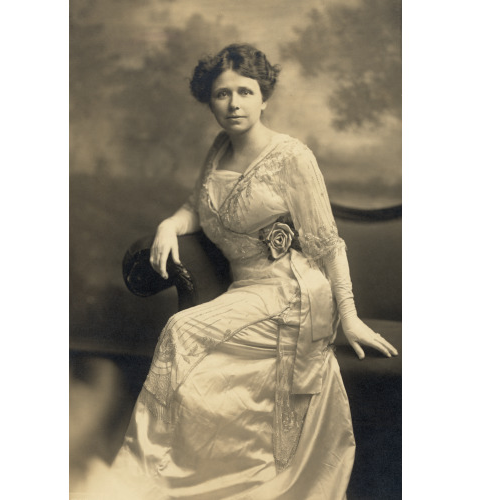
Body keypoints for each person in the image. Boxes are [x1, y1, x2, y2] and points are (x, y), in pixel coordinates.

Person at [111, 43, 398, 499]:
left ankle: (145, 480)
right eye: (222, 94)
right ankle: (183, 473)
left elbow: (327, 243)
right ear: (209, 101)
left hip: (294, 293)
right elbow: (196, 205)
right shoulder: (219, 148)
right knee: (195, 356)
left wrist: (350, 316)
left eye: (245, 92)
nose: (234, 104)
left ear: (264, 97)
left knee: (181, 330)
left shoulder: (292, 158)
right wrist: (170, 224)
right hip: (246, 291)